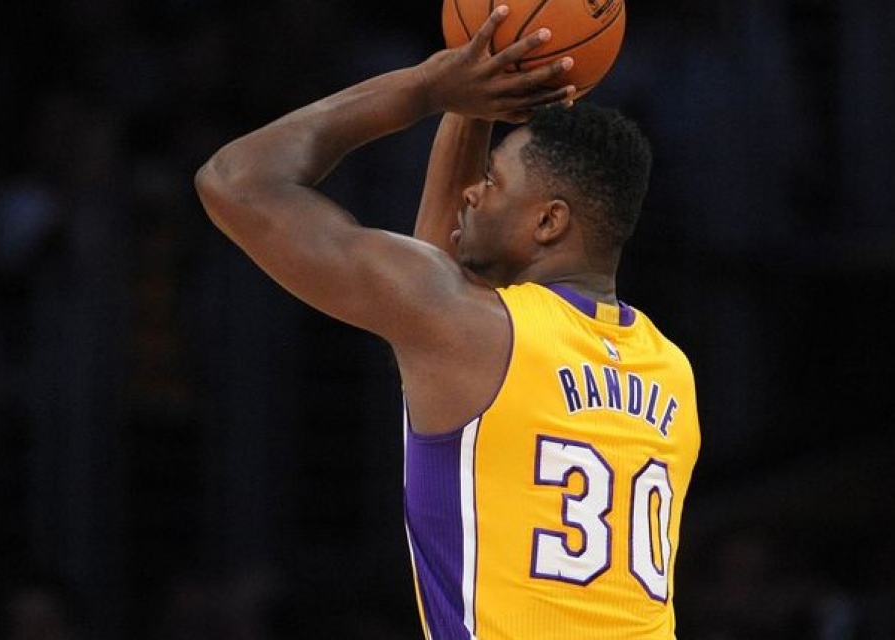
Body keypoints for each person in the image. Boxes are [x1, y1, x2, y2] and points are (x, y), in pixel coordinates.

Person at [195, 6, 700, 639]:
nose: (471, 192)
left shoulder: (470, 331)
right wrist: (476, 99)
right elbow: (444, 273)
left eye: (493, 181)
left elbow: (233, 180)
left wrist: (430, 87)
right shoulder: (672, 372)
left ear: (548, 222)